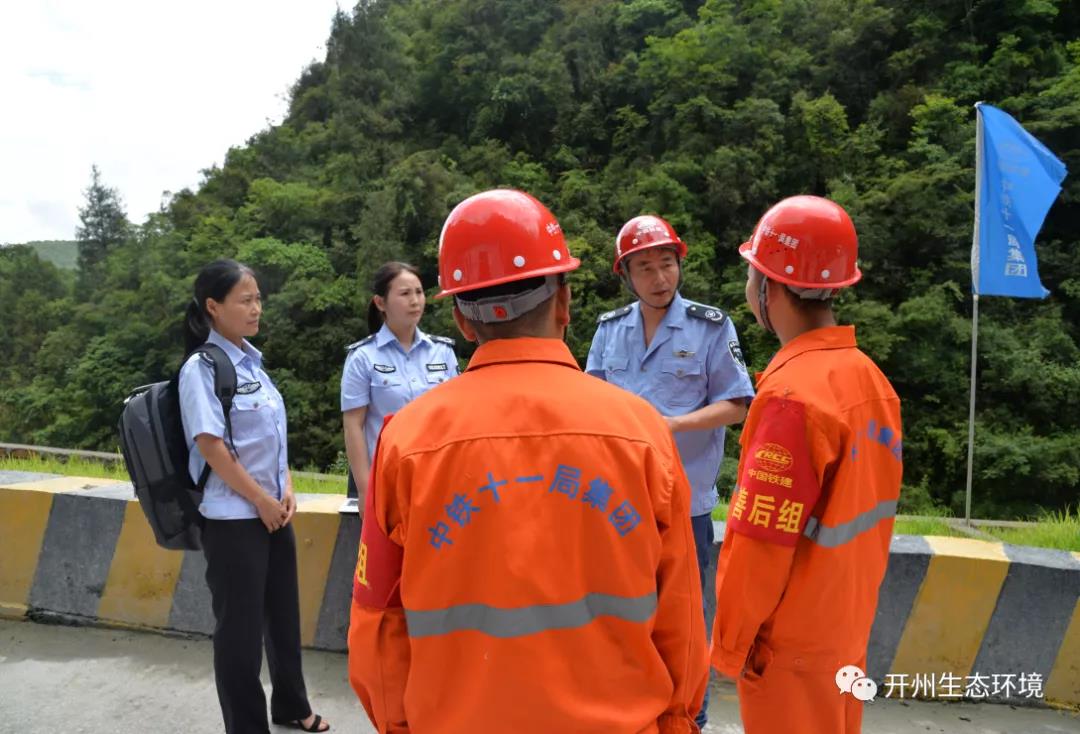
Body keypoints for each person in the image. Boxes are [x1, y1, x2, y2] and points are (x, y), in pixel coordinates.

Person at [347, 189, 708, 733]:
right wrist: (675, 722)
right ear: (563, 303)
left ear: (464, 323)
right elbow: (681, 615)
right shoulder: (642, 434)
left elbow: (378, 622)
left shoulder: (405, 442)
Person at [709, 196, 903, 733]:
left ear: (767, 288)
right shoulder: (869, 381)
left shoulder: (792, 397)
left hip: (790, 650)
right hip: (844, 630)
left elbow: (760, 541)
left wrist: (729, 645)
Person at [585, 214, 755, 730]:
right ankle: (625, 706)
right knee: (618, 607)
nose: (659, 277)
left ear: (679, 265)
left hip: (686, 502)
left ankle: (690, 716)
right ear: (626, 275)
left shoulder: (710, 326)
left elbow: (738, 402)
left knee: (683, 617)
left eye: (666, 265)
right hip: (615, 501)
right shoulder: (609, 331)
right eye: (644, 268)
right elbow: (587, 402)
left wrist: (672, 424)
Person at [179, 259, 330, 733]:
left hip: (273, 513)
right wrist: (260, 501)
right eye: (245, 300)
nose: (256, 307)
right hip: (232, 519)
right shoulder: (201, 368)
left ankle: (290, 705)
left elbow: (273, 439)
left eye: (258, 298)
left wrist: (284, 487)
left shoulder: (254, 364)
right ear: (213, 307)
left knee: (284, 619)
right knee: (240, 638)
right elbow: (211, 445)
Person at [339, 262, 459, 513]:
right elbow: (353, 425)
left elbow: (453, 419)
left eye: (419, 292)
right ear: (380, 303)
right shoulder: (363, 357)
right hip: (386, 483)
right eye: (405, 294)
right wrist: (364, 490)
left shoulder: (442, 352)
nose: (415, 301)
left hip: (436, 480)